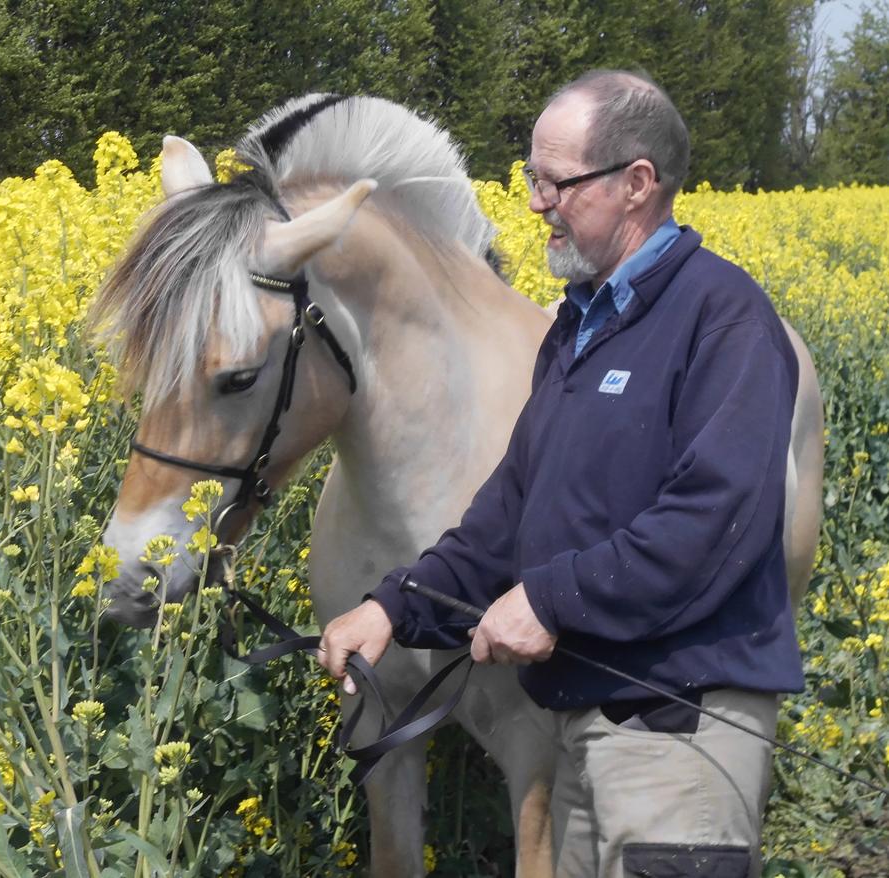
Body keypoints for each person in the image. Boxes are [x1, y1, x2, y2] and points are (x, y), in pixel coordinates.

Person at [317, 69, 804, 878]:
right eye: (532, 178)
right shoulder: (580, 328)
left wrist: (549, 598)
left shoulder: (724, 318)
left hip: (679, 735)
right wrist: (393, 608)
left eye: (555, 182)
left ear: (637, 184)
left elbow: (714, 519)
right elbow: (512, 511)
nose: (536, 203)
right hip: (582, 731)